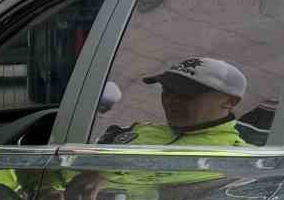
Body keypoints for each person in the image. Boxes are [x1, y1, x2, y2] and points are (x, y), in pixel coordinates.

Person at [95, 56, 250, 147]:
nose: (171, 100)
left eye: (185, 93)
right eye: (167, 90)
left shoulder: (240, 159)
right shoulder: (131, 133)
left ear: (230, 101)